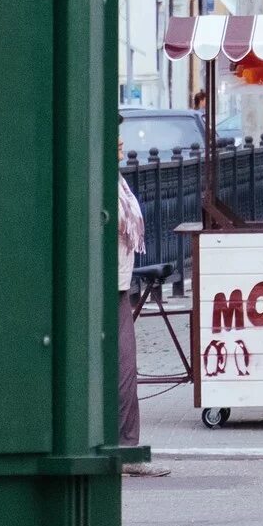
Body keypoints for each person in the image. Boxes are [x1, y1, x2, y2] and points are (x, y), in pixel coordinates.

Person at [117, 135, 170, 478]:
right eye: (114, 134)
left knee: (126, 367)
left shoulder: (115, 179)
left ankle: (127, 448)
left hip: (119, 285)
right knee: (121, 367)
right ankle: (122, 449)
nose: (121, 140)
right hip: (103, 286)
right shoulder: (96, 177)